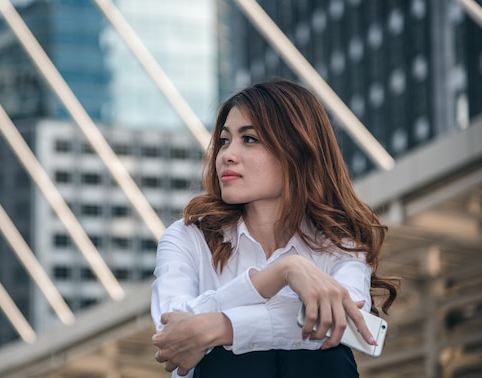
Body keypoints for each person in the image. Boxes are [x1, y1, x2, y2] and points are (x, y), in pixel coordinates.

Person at [150, 79, 399, 378]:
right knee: (232, 359)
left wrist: (220, 327)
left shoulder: (339, 243)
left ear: (296, 150)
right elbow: (171, 334)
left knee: (323, 356)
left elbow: (342, 325)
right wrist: (282, 273)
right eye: (224, 140)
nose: (227, 154)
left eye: (250, 139)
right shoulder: (187, 237)